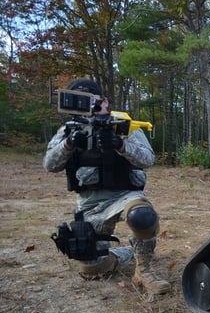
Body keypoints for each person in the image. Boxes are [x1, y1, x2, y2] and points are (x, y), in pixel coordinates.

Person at [43, 78, 170, 295]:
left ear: (105, 101)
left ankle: (144, 271)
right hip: (90, 204)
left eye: (92, 99)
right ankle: (127, 252)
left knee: (142, 216)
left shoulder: (123, 125)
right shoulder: (68, 130)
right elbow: (49, 165)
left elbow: (148, 159)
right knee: (93, 270)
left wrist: (120, 144)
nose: (89, 105)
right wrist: (68, 144)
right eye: (80, 99)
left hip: (126, 195)